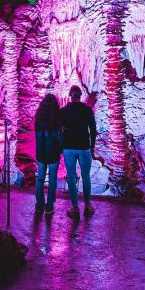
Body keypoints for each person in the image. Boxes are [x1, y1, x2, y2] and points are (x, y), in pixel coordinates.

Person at [61, 86, 97, 217]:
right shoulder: (87, 110)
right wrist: (92, 146)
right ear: (81, 96)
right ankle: (87, 205)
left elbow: (60, 130)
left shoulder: (64, 111)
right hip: (83, 147)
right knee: (85, 176)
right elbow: (93, 129)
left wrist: (61, 146)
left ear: (70, 96)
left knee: (71, 177)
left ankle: (75, 208)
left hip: (69, 147)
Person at [34, 93, 63, 215]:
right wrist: (61, 149)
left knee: (40, 179)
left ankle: (39, 204)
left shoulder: (39, 119)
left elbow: (36, 136)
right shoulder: (56, 120)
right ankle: (49, 206)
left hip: (41, 153)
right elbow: (59, 138)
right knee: (52, 180)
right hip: (53, 154)